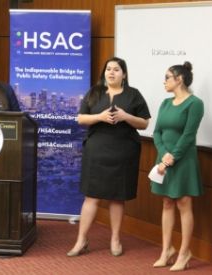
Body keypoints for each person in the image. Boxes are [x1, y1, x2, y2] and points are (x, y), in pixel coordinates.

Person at [67, 57, 151, 257]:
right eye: (108, 69)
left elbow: (144, 123)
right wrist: (100, 117)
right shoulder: (94, 92)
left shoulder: (133, 95)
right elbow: (80, 118)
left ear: (124, 74)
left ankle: (115, 239)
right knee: (91, 196)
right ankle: (81, 240)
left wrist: (126, 117)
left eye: (116, 69)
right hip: (97, 151)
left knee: (117, 197)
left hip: (123, 151)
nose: (111, 72)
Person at [151, 61, 204, 271]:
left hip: (184, 161)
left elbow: (189, 135)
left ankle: (184, 253)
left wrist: (172, 157)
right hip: (165, 160)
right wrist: (164, 156)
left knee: (183, 203)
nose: (164, 81)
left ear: (179, 79)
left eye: (167, 77)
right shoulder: (165, 103)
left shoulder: (195, 103)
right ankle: (166, 251)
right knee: (166, 203)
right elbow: (157, 132)